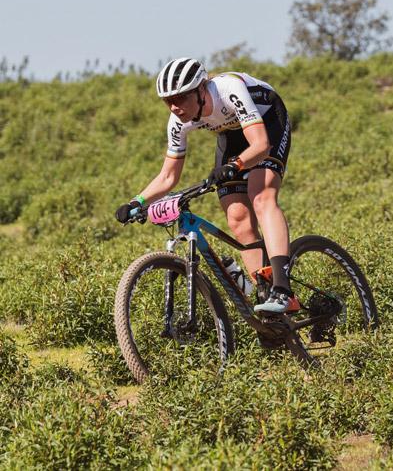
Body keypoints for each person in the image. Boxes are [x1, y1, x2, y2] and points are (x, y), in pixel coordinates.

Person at [114, 57, 300, 312]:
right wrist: (138, 202)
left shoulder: (229, 89)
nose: (174, 107)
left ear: (201, 90)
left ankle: (283, 290)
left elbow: (259, 145)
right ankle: (264, 292)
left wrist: (235, 166)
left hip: (266, 122)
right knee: (237, 218)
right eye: (168, 101)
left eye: (180, 98)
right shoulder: (177, 122)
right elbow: (168, 176)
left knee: (261, 195)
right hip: (231, 134)